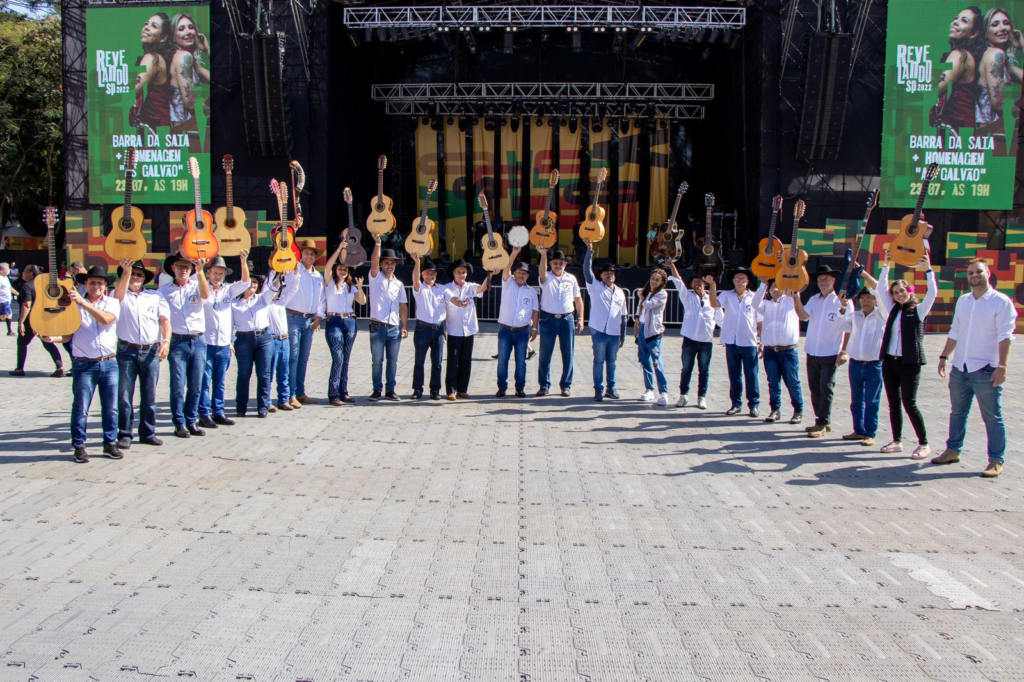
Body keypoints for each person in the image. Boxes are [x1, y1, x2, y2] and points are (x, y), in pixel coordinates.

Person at [933, 258, 1017, 477]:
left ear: (988, 273)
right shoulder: (963, 301)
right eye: (970, 272)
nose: (974, 276)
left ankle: (996, 460)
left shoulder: (1001, 302)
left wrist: (1002, 366)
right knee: (957, 412)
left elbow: (1005, 337)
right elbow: (955, 331)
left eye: (978, 271)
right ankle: (953, 450)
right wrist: (944, 356)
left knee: (992, 416)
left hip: (986, 369)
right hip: (961, 368)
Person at [45, 266, 121, 463]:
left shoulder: (111, 302)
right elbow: (68, 334)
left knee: (111, 407)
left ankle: (110, 443)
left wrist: (83, 303)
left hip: (109, 362)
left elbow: (106, 320)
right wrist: (51, 338)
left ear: (105, 286)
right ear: (85, 284)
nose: (96, 286)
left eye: (100, 283)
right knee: (81, 407)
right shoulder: (73, 305)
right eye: (92, 282)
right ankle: (79, 446)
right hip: (84, 365)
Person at [874, 252, 939, 458]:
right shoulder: (893, 310)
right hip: (890, 362)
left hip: (910, 363)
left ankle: (924, 443)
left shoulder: (918, 310)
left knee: (909, 403)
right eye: (895, 292)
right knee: (893, 403)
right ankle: (897, 440)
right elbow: (879, 289)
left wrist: (928, 270)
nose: (899, 294)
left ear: (909, 291)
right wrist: (886, 265)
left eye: (902, 290)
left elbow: (933, 293)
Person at [111, 259, 170, 449]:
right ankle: (125, 433)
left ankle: (148, 432)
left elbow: (165, 320)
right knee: (125, 396)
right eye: (132, 274)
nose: (135, 277)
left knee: (149, 395)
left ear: (145, 279)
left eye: (139, 274)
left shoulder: (155, 296)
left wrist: (166, 341)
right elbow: (117, 298)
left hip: (150, 350)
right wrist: (126, 273)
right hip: (126, 350)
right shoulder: (117, 294)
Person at [794, 265, 853, 438]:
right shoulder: (814, 299)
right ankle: (821, 420)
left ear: (834, 281)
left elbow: (849, 327)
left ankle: (823, 422)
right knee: (814, 388)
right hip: (813, 350)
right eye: (820, 280)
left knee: (826, 387)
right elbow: (803, 316)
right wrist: (796, 298)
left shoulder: (842, 300)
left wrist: (844, 351)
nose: (823, 282)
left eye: (826, 279)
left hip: (831, 351)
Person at [159, 254, 211, 437]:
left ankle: (192, 421)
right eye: (180, 267)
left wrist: (200, 272)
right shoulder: (164, 291)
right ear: (173, 268)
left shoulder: (197, 286)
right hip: (178, 341)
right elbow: (162, 318)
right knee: (178, 385)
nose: (183, 270)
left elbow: (206, 295)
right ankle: (179, 423)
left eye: (187, 267)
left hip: (198, 340)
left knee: (197, 384)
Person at [198, 254, 250, 429]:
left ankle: (218, 412)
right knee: (204, 381)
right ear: (208, 273)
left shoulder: (228, 289)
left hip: (223, 343)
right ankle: (203, 414)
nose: (218, 276)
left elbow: (245, 283)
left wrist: (243, 262)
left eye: (221, 273)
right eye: (215, 272)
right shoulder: (200, 288)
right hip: (206, 343)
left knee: (219, 381)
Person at [829, 285, 885, 448]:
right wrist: (842, 309)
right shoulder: (855, 316)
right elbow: (840, 327)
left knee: (872, 400)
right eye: (863, 298)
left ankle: (870, 433)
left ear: (875, 300)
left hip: (874, 364)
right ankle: (858, 429)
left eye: (869, 298)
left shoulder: (881, 315)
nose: (866, 301)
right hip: (856, 363)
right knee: (856, 399)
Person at [276, 239, 326, 407]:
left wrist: (319, 316)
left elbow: (321, 299)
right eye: (306, 253)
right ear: (301, 254)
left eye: (312, 254)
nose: (309, 256)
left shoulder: (317, 276)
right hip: (293, 317)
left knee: (303, 357)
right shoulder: (293, 271)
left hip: (309, 320)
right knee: (293, 356)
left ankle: (300, 391)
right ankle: (289, 394)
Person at [710, 268, 765, 417]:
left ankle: (754, 404)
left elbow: (760, 322)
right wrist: (712, 286)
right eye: (737, 278)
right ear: (733, 281)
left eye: (743, 278)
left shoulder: (754, 297)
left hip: (749, 342)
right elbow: (714, 304)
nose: (740, 281)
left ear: (748, 281)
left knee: (751, 374)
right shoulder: (727, 295)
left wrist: (762, 341)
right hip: (731, 341)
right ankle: (736, 403)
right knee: (734, 375)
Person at [667, 262, 717, 409]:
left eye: (700, 282)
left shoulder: (711, 299)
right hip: (689, 339)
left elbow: (720, 317)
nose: (697, 284)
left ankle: (702, 397)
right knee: (687, 368)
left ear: (705, 284)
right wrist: (671, 265)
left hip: (706, 341)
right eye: (695, 282)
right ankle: (683, 395)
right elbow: (678, 281)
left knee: (704, 370)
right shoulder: (687, 297)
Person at [581, 240, 626, 401]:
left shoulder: (621, 292)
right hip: (599, 330)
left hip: (614, 332)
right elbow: (586, 270)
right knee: (599, 361)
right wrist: (589, 251)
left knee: (612, 362)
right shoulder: (596, 287)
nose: (609, 274)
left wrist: (623, 335)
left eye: (612, 272)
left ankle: (611, 388)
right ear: (600, 275)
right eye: (606, 272)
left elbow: (623, 316)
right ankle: (598, 389)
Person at [754, 279, 804, 424]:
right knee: (773, 382)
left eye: (778, 286)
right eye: (772, 286)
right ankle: (775, 409)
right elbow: (754, 303)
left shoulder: (790, 301)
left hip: (788, 350)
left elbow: (796, 287)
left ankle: (798, 410)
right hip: (771, 350)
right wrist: (763, 285)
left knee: (792, 382)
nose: (775, 288)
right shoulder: (766, 305)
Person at [975, 8, 1023, 155]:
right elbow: (999, 104)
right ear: (985, 31)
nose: (1002, 28)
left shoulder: (1001, 58)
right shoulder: (995, 55)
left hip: (993, 135)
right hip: (992, 137)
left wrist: (1022, 47)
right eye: (995, 24)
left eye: (1006, 23)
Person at [322, 242, 366, 405]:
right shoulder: (329, 282)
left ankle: (344, 391)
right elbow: (327, 267)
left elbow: (362, 302)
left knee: (346, 358)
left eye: (345, 269)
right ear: (335, 270)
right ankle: (333, 394)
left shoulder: (350, 286)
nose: (342, 271)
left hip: (350, 321)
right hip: (334, 321)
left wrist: (360, 288)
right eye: (340, 268)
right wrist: (339, 249)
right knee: (338, 357)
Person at [536, 249, 584, 397]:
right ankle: (544, 385)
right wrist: (543, 255)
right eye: (555, 263)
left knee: (568, 353)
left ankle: (566, 385)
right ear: (550, 264)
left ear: (565, 264)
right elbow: (542, 272)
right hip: (548, 319)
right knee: (545, 354)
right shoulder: (546, 277)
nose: (558, 266)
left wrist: (581, 318)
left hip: (567, 319)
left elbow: (578, 299)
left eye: (561, 263)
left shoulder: (571, 278)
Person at [367, 233, 408, 401]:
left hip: (394, 328)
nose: (389, 266)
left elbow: (403, 306)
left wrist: (404, 326)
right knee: (377, 361)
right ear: (382, 265)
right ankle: (377, 389)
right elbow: (374, 262)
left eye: (392, 263)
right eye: (386, 263)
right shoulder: (376, 278)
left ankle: (390, 390)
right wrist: (377, 244)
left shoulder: (399, 284)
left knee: (393, 361)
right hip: (378, 326)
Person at [931, 7, 985, 132]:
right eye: (956, 18)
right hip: (959, 126)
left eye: (964, 20)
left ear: (974, 33)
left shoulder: (959, 56)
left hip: (956, 128)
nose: (955, 22)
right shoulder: (966, 55)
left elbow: (934, 90)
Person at [443, 259, 490, 401]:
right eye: (459, 272)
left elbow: (481, 289)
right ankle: (450, 390)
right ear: (453, 273)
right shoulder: (446, 288)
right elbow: (453, 300)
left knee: (466, 361)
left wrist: (490, 275)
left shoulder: (470, 287)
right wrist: (459, 303)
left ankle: (462, 389)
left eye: (464, 272)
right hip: (454, 331)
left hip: (469, 330)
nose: (461, 275)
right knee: (453, 361)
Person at [9, 264, 66, 378]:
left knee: (22, 343)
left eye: (25, 270)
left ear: (31, 273)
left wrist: (21, 322)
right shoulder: (44, 285)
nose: (22, 272)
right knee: (48, 342)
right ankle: (60, 367)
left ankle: (20, 369)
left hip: (31, 320)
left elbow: (26, 305)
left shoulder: (27, 286)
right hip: (44, 318)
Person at [496, 251, 539, 398]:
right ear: (514, 273)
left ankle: (519, 388)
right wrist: (513, 253)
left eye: (524, 273)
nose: (521, 275)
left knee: (521, 362)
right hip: (505, 330)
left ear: (527, 275)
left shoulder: (531, 291)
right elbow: (506, 267)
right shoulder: (508, 284)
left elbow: (535, 311)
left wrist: (534, 328)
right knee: (502, 361)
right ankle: (502, 387)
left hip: (522, 332)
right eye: (519, 272)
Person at [231, 275, 275, 418]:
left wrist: (280, 274)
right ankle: (241, 407)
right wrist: (230, 342)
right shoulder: (234, 304)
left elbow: (273, 289)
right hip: (244, 339)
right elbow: (228, 324)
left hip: (264, 338)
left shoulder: (262, 299)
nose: (253, 284)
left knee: (264, 374)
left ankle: (263, 406)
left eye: (255, 282)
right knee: (244, 374)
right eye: (250, 282)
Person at [169, 12, 210, 140]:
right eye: (181, 29)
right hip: (184, 132)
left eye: (191, 27)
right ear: (173, 37)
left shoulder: (189, 60)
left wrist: (207, 50)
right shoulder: (183, 57)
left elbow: (221, 81)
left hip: (187, 130)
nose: (188, 32)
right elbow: (190, 103)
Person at [410, 257, 447, 400]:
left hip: (438, 329)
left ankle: (435, 390)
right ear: (422, 274)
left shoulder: (442, 289)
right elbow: (414, 279)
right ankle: (418, 389)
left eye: (433, 274)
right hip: (422, 328)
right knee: (419, 361)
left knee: (437, 362)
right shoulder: (419, 288)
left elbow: (451, 303)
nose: (430, 276)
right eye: (427, 273)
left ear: (436, 275)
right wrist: (417, 262)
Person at [131, 12, 175, 130]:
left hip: (155, 129)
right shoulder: (158, 58)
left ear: (163, 37)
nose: (146, 27)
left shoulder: (152, 59)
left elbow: (131, 91)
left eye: (154, 26)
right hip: (158, 128)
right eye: (146, 24)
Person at [636, 268, 670, 403]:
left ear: (662, 282)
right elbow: (641, 308)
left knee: (656, 361)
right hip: (643, 329)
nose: (653, 282)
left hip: (653, 331)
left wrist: (642, 297)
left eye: (657, 280)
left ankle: (663, 391)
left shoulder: (662, 294)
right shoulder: (647, 292)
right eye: (652, 279)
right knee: (644, 361)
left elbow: (649, 305)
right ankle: (649, 389)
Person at [265, 276, 291, 412]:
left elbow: (293, 289)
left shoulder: (281, 302)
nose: (278, 292)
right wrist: (275, 271)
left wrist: (296, 274)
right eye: (276, 289)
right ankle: (267, 401)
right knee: (269, 372)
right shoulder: (265, 303)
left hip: (285, 340)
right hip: (273, 340)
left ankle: (284, 399)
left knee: (284, 372)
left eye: (280, 289)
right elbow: (268, 288)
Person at [0, 262, 13, 335]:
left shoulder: (5, 278)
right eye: (6, 269)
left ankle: (10, 331)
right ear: (1, 270)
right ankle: (10, 331)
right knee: (5, 315)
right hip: (3, 300)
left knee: (9, 314)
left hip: (7, 300)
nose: (8, 270)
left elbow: (10, 288)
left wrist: (18, 294)